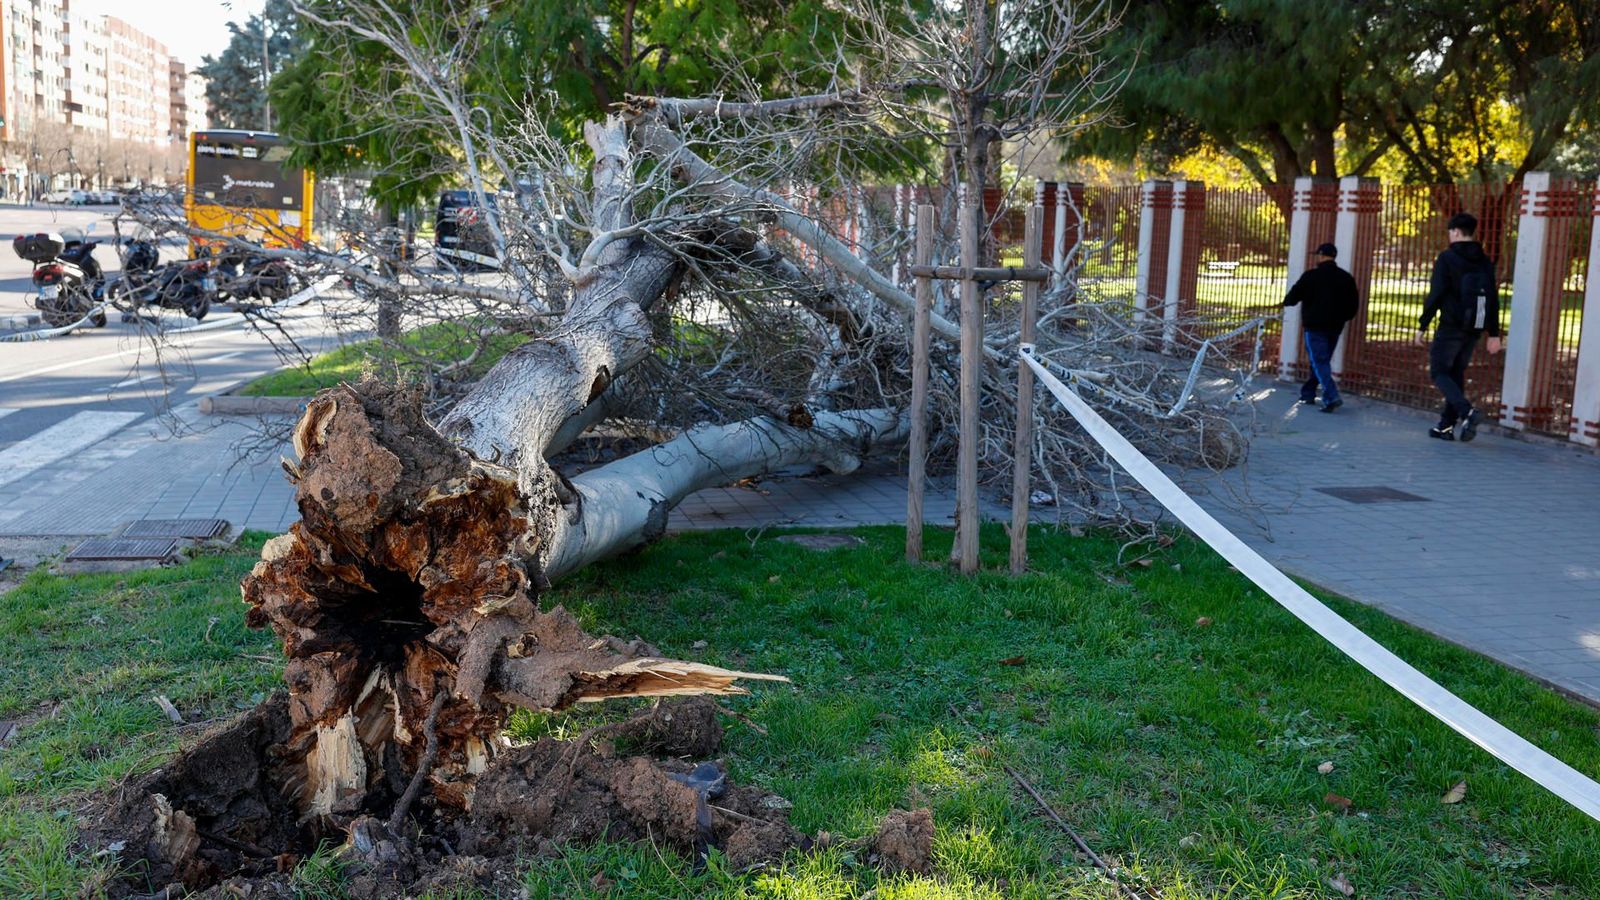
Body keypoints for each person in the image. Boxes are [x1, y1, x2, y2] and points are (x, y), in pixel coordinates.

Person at [1412, 212, 1503, 442]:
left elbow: (1437, 293)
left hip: (1451, 325)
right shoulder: (1484, 260)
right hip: (1474, 327)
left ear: (1454, 232)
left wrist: (1422, 325)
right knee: (1455, 373)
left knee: (1439, 371)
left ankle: (1467, 412)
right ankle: (1446, 427)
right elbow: (1492, 296)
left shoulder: (1447, 258)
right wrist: (1493, 333)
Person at [1282, 242, 1360, 412]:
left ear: (1321, 256)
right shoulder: (1346, 278)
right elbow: (1353, 305)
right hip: (1335, 327)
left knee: (1319, 361)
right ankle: (1308, 392)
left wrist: (1286, 302)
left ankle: (1331, 397)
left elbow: (1293, 297)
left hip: (1314, 327)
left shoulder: (1311, 276)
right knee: (1320, 361)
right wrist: (1343, 318)